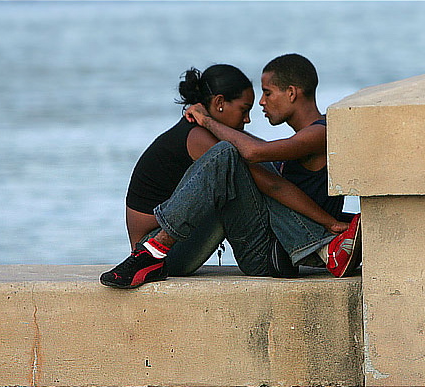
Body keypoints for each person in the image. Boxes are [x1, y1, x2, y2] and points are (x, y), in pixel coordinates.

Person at [101, 54, 361, 288]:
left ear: (292, 93)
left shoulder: (213, 137)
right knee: (231, 155)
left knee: (239, 156)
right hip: (167, 251)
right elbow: (265, 175)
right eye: (244, 110)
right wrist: (329, 224)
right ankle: (152, 253)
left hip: (220, 248)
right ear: (220, 103)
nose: (249, 117)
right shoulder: (201, 139)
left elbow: (259, 152)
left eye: (266, 94)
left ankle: (323, 247)